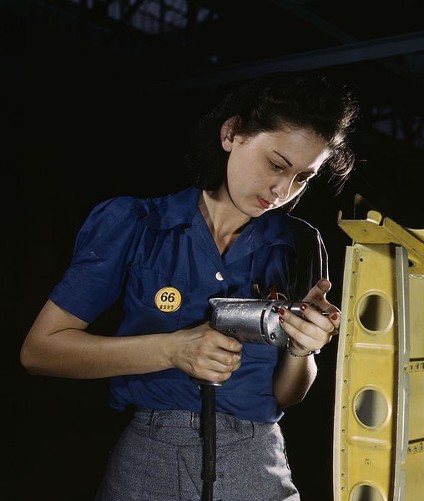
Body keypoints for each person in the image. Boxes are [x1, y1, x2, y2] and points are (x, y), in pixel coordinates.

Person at [20, 71, 359, 500]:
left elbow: (288, 395)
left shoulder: (298, 243)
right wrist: (171, 349)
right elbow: (40, 351)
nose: (281, 190)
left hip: (258, 457)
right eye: (276, 165)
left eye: (302, 178)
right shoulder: (136, 224)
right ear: (231, 134)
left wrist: (302, 350)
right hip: (149, 454)